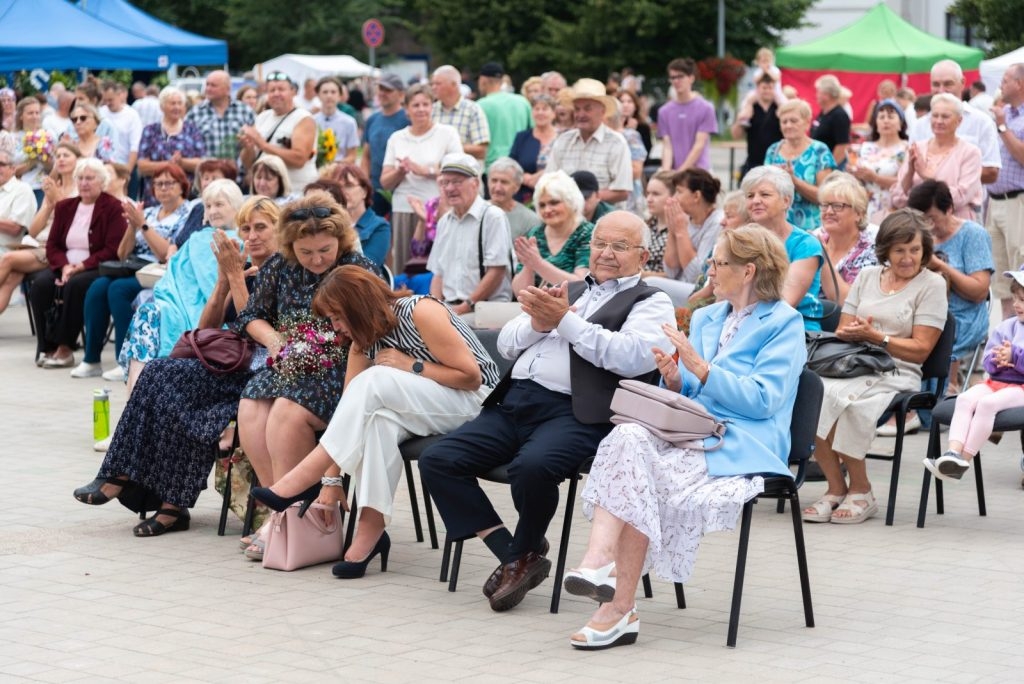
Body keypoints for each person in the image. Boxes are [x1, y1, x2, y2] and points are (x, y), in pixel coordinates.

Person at [418, 210, 675, 612]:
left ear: (643, 257)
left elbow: (631, 357)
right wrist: (539, 324)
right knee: (438, 460)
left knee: (531, 468)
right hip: (515, 401)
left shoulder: (651, 300)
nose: (606, 253)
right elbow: (505, 344)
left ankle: (521, 552)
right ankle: (517, 554)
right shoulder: (570, 289)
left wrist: (565, 324)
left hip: (578, 412)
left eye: (619, 246)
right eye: (600, 243)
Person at [564, 224, 805, 650]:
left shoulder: (784, 323)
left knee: (639, 468)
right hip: (691, 432)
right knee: (627, 437)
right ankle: (596, 564)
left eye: (718, 262)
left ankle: (618, 608)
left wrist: (702, 368)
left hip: (742, 442)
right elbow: (688, 395)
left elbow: (764, 401)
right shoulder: (709, 315)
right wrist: (675, 379)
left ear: (748, 271)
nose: (709, 269)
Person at [250, 265, 501, 576]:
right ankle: (370, 532)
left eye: (337, 316)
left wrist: (411, 365)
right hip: (432, 406)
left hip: (480, 404)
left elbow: (471, 378)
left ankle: (302, 479)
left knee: (376, 378)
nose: (334, 326)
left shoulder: (420, 310)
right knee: (379, 421)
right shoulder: (364, 340)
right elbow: (349, 408)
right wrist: (332, 480)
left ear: (359, 305)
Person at [71, 197, 283, 534]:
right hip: (231, 369)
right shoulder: (243, 269)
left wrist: (236, 279)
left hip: (262, 373)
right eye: (245, 228)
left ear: (280, 231)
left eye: (261, 227)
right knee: (159, 373)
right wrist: (223, 282)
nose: (252, 235)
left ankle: (149, 491)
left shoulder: (282, 272)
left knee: (177, 391)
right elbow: (206, 329)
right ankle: (149, 491)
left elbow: (253, 324)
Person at [235, 193, 380, 555]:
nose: (317, 260)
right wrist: (273, 339)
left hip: (342, 368)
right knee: (252, 405)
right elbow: (250, 316)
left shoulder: (357, 267)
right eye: (307, 252)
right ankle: (278, 512)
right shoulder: (279, 267)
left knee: (286, 412)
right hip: (289, 361)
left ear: (340, 241)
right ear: (291, 245)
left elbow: (377, 331)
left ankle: (295, 517)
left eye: (325, 250)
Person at [802, 209, 947, 524]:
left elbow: (922, 350)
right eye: (899, 250)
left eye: (914, 250)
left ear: (924, 251)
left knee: (846, 402)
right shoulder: (868, 276)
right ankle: (836, 487)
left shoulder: (932, 284)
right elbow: (842, 328)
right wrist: (855, 332)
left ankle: (862, 491)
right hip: (854, 362)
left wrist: (877, 337)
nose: (907, 257)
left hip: (898, 370)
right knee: (813, 394)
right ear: (886, 251)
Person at [107, 180, 247, 387]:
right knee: (147, 313)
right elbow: (172, 279)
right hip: (178, 306)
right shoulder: (196, 238)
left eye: (219, 204)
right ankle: (134, 399)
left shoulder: (242, 243)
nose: (213, 211)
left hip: (218, 314)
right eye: (208, 206)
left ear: (236, 206)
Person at [78, 163, 191, 374]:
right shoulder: (148, 211)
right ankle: (91, 358)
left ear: (182, 185)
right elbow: (122, 254)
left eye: (168, 183)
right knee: (98, 287)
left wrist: (143, 226)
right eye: (158, 183)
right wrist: (132, 226)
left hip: (160, 270)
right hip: (133, 266)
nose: (163, 188)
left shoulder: (187, 213)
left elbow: (165, 253)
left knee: (118, 289)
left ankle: (126, 361)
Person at [924, 267, 1024, 481]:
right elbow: (988, 359)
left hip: (1021, 389)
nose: (1016, 304)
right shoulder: (1006, 326)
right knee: (965, 398)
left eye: (1023, 300)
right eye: (1015, 298)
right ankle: (952, 453)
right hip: (997, 382)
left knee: (986, 405)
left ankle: (964, 460)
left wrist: (1015, 356)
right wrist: (997, 360)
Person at [27, 159, 127, 367]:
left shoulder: (113, 208)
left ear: (102, 181)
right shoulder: (65, 206)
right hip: (63, 265)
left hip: (94, 267)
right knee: (40, 286)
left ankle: (65, 348)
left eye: (89, 178)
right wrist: (64, 266)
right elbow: (52, 245)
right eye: (80, 178)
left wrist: (80, 267)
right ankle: (46, 347)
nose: (84, 183)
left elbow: (112, 249)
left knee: (76, 285)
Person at [906, 179, 993, 393]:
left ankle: (935, 397)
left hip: (962, 316)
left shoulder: (972, 234)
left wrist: (940, 267)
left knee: (929, 338)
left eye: (932, 219)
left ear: (950, 209)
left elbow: (979, 292)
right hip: (922, 311)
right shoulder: (918, 236)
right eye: (921, 220)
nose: (928, 226)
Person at [381, 84, 462, 274]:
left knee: (436, 265)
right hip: (404, 207)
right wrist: (400, 171)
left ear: (432, 106)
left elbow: (458, 170)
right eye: (416, 105)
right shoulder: (397, 138)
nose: (421, 109)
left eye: (426, 104)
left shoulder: (447, 133)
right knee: (404, 262)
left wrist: (427, 170)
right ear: (407, 109)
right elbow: (385, 182)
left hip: (436, 209)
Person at [427, 153, 513, 318]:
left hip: (485, 309)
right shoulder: (445, 221)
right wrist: (436, 309)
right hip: (451, 309)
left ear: (475, 183)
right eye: (445, 182)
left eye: (457, 182)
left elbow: (497, 271)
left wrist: (464, 307)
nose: (450, 188)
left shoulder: (492, 216)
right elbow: (438, 274)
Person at [742, 165, 825, 330]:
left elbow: (785, 303)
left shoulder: (805, 244)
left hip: (793, 330)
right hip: (743, 324)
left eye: (764, 194)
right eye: (750, 195)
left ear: (786, 201)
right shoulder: (741, 241)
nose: (755, 200)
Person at [892, 94, 983, 221]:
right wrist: (910, 172)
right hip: (918, 228)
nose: (939, 121)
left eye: (945, 116)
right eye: (935, 115)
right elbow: (898, 199)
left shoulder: (970, 153)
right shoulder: (917, 148)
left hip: (956, 226)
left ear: (959, 120)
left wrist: (927, 176)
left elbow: (959, 198)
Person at [910, 60, 1000, 185]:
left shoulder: (982, 122)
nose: (941, 90)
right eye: (936, 84)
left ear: (962, 83)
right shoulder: (919, 125)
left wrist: (935, 175)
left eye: (948, 84)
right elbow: (911, 168)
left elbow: (991, 173)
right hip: (925, 202)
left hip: (967, 202)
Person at [546, 79, 632, 206]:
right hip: (567, 221)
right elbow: (548, 182)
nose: (581, 114)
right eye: (577, 109)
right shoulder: (563, 141)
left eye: (587, 109)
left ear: (602, 111)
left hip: (604, 221)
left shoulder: (616, 143)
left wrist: (580, 198)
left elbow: (622, 192)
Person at [644, 168, 722, 305]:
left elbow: (696, 276)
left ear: (696, 196)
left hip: (701, 291)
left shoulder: (717, 222)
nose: (674, 198)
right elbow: (671, 270)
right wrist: (673, 231)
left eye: (679, 192)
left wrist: (680, 231)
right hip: (681, 285)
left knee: (649, 284)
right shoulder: (685, 218)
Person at [763, 99, 837, 232]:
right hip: (777, 229)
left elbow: (826, 196)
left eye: (793, 121)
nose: (788, 125)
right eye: (784, 121)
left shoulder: (819, 151)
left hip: (811, 230)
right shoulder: (773, 151)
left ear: (807, 123)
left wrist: (794, 181)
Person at [512, 170, 592, 292]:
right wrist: (529, 265)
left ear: (571, 201)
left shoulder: (587, 233)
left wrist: (538, 264)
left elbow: (580, 285)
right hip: (536, 307)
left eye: (554, 202)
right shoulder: (535, 234)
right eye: (542, 205)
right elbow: (520, 292)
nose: (547, 210)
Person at [239, 72, 318, 192]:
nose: (276, 94)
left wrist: (262, 144)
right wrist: (248, 148)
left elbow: (299, 159)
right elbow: (248, 163)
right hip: (265, 193)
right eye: (271, 90)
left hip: (296, 192)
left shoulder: (303, 118)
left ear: (293, 92)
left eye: (281, 89)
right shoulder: (262, 117)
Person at [987, 63, 1024, 320]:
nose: (1001, 84)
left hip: (1017, 202)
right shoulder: (1006, 113)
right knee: (1001, 277)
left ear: (1019, 84)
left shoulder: (1010, 120)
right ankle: (1006, 338)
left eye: (1006, 79)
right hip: (995, 202)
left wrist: (1002, 127)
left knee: (1019, 271)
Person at [812, 172, 877, 305]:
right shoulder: (814, 239)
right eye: (825, 205)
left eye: (838, 206)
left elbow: (847, 301)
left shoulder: (871, 249)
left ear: (859, 213)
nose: (829, 211)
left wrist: (824, 261)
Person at [137, 86, 205, 207]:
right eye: (172, 103)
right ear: (162, 106)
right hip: (155, 196)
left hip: (186, 195)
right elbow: (142, 166)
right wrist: (169, 164)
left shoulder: (192, 129)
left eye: (180, 103)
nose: (177, 107)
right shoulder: (150, 130)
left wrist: (182, 162)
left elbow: (201, 163)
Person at [850, 99, 909, 224]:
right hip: (865, 206)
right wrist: (853, 174)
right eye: (881, 117)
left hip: (893, 208)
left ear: (901, 123)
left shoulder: (906, 149)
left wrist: (875, 178)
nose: (885, 121)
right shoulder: (864, 147)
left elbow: (907, 182)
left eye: (891, 116)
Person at [321, 162, 391, 269]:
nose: (343, 192)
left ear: (364, 191)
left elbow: (367, 267)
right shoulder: (326, 221)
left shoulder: (380, 226)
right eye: (338, 187)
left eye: (349, 186)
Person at [361, 73, 409, 218]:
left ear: (401, 94)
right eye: (380, 88)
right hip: (376, 189)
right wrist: (364, 184)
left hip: (402, 188)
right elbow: (366, 156)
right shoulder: (372, 119)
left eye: (388, 90)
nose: (382, 93)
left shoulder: (408, 119)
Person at [658, 58, 717, 172]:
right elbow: (667, 146)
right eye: (673, 77)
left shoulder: (706, 108)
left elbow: (699, 145)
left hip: (699, 171)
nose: (676, 81)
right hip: (674, 171)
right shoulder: (664, 111)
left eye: (680, 76)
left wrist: (681, 171)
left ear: (691, 78)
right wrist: (666, 172)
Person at [184, 70, 255, 161]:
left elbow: (254, 146)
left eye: (213, 85)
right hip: (207, 173)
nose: (208, 88)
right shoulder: (194, 113)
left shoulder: (245, 111)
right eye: (207, 84)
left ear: (227, 89)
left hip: (238, 173)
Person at [476, 62, 532, 172]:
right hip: (519, 166)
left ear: (483, 81)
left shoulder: (479, 106)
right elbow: (533, 130)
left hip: (492, 167)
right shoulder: (522, 101)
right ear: (501, 81)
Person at [430, 65, 490, 162]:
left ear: (454, 85)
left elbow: (482, 150)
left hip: (464, 173)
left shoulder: (473, 110)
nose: (433, 88)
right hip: (434, 174)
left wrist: (450, 146)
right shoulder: (430, 110)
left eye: (438, 84)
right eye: (432, 84)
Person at [732, 72, 784, 179]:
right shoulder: (750, 108)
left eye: (770, 88)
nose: (767, 91)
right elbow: (736, 135)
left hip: (776, 161)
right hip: (754, 161)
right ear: (758, 89)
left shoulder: (779, 108)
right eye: (764, 88)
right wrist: (739, 120)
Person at [508, 94, 559, 202]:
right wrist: (524, 178)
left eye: (545, 109)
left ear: (554, 114)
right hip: (524, 196)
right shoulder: (522, 137)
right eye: (536, 109)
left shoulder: (563, 138)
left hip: (555, 195)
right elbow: (511, 164)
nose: (540, 112)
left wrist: (543, 175)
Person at [486, 156, 540, 241]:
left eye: (504, 182)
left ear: (517, 187)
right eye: (494, 180)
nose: (497, 188)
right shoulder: (475, 212)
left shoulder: (529, 220)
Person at [12, 96, 50, 205]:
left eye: (37, 113)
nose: (35, 116)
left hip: (42, 188)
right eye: (30, 113)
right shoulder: (12, 138)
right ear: (21, 116)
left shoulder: (48, 135)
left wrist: (43, 157)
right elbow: (8, 171)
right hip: (18, 189)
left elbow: (54, 168)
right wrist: (33, 159)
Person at [99, 81, 143, 174]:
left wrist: (128, 171)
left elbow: (135, 146)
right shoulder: (100, 113)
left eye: (110, 100)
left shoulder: (132, 115)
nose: (107, 103)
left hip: (124, 166)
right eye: (105, 100)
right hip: (103, 167)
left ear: (119, 95)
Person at [313, 76, 359, 164]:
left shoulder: (349, 122)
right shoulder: (311, 121)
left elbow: (352, 156)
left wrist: (334, 164)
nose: (329, 96)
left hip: (339, 171)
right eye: (325, 92)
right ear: (318, 95)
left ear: (339, 96)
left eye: (333, 92)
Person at [0, 146, 38, 251]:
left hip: (6, 251)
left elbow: (15, 228)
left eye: (1, 164)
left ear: (13, 169)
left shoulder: (22, 189)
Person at [811, 75, 851, 167]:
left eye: (818, 92)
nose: (816, 95)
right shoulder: (823, 113)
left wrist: (830, 168)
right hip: (818, 164)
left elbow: (842, 146)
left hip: (828, 167)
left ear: (827, 95)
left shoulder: (839, 115)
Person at [618, 90, 651, 156]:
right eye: (622, 101)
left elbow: (646, 152)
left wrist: (633, 133)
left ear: (635, 106)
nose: (625, 105)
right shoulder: (611, 126)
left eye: (629, 102)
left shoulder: (643, 126)